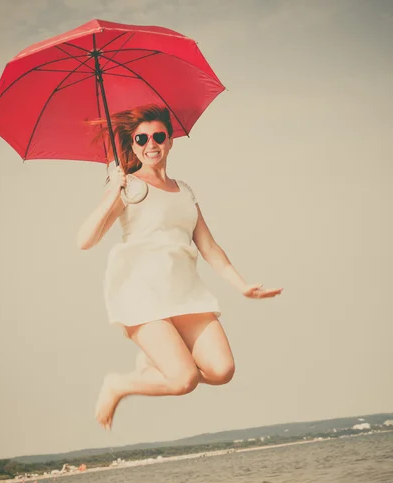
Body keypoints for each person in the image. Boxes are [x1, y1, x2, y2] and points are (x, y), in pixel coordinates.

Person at [77, 105, 283, 430]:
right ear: (132, 145)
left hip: (183, 292)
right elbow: (85, 240)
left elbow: (209, 247)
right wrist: (110, 194)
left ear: (170, 140)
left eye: (158, 136)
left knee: (221, 370)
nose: (150, 144)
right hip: (141, 295)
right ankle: (120, 384)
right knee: (183, 380)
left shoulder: (184, 190)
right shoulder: (127, 186)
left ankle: (156, 360)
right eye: (141, 138)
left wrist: (242, 285)